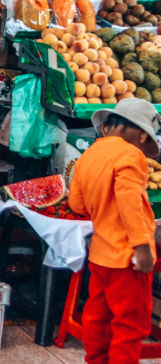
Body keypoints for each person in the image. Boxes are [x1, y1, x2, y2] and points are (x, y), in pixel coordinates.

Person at [69, 97, 161, 364]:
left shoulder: (90, 154)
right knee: (130, 325)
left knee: (97, 317)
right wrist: (143, 247)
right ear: (143, 134)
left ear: (108, 126)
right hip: (126, 258)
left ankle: (96, 360)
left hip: (99, 256)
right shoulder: (130, 155)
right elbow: (130, 201)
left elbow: (77, 203)